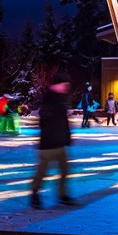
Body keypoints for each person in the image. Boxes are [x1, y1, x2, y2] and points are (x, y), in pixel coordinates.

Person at [31, 73, 74, 208]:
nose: (68, 87)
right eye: (66, 85)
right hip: (48, 143)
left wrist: (67, 137)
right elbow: (44, 119)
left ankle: (62, 195)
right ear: (59, 85)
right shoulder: (49, 98)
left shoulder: (61, 99)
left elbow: (64, 121)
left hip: (60, 142)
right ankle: (35, 194)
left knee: (65, 170)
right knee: (42, 171)